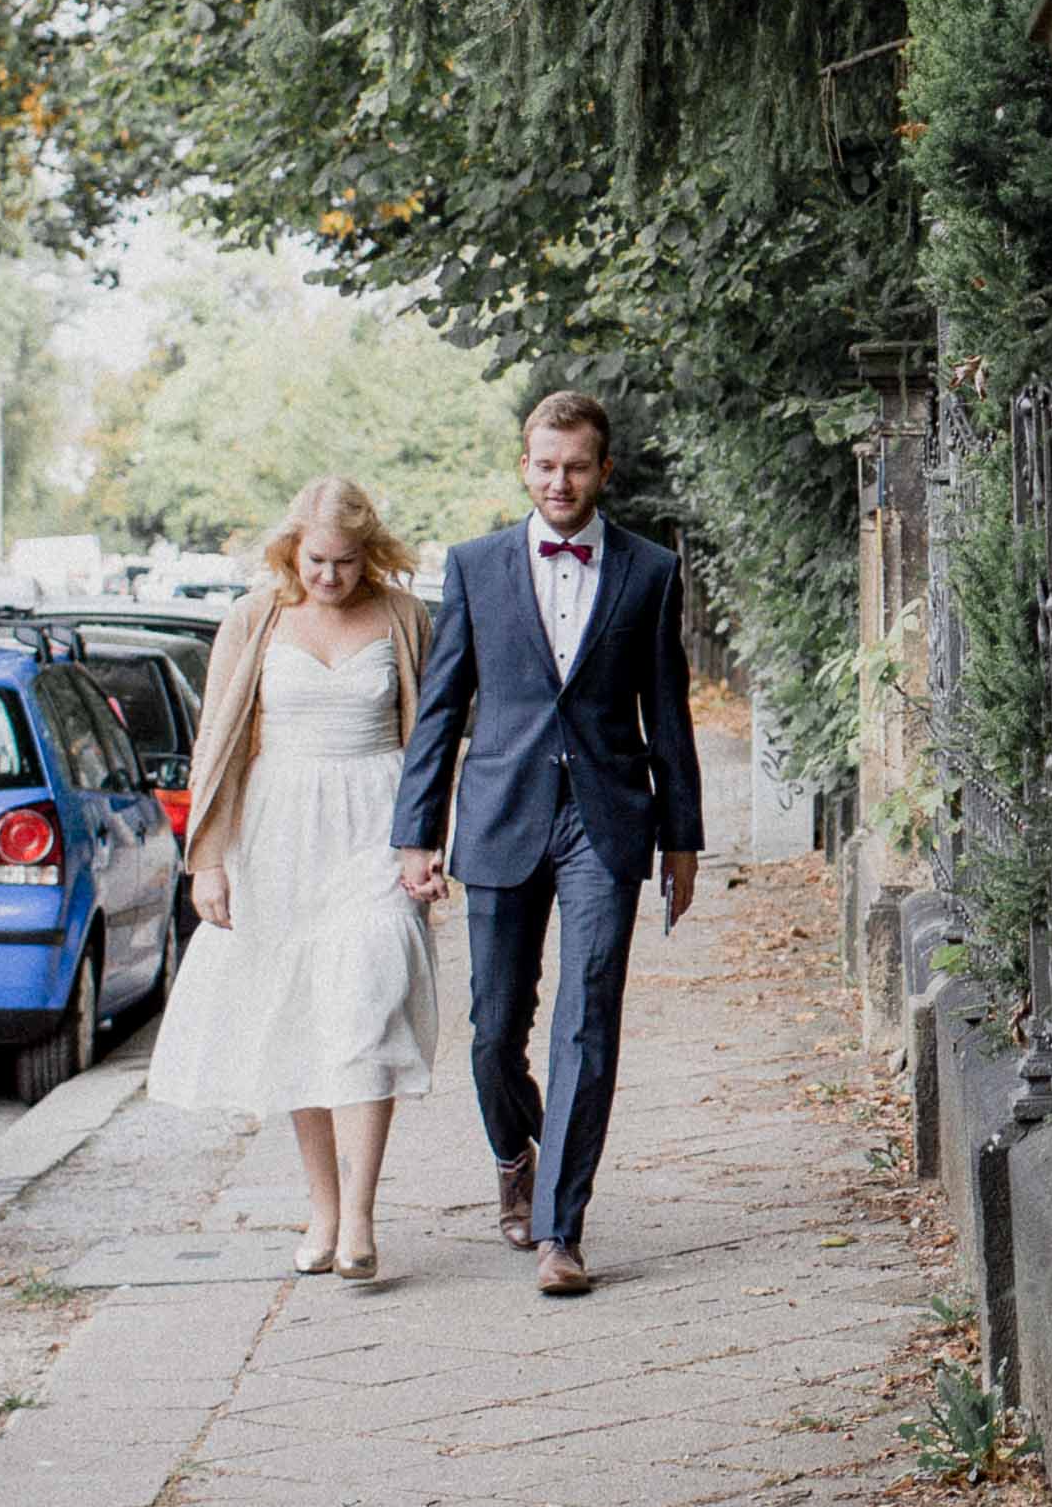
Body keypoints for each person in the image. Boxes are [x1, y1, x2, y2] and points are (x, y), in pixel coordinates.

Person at [391, 389, 704, 1296]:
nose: (558, 481)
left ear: (604, 471)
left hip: (606, 818)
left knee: (589, 1018)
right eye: (543, 465)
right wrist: (416, 832)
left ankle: (562, 1231)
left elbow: (669, 710)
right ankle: (515, 1148)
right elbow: (441, 710)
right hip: (499, 815)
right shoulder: (475, 567)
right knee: (494, 1032)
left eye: (575, 466)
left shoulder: (649, 570)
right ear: (523, 468)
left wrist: (681, 839)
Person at [155, 479, 446, 1277]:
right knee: (301, 1020)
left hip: (375, 828)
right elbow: (216, 743)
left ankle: (359, 1218)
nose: (330, 578)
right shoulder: (255, 618)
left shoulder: (403, 617)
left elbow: (433, 736)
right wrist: (207, 859)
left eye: (347, 563)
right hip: (278, 830)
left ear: (370, 554)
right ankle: (320, 1210)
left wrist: (427, 838)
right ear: (292, 549)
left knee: (367, 1002)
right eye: (317, 560)